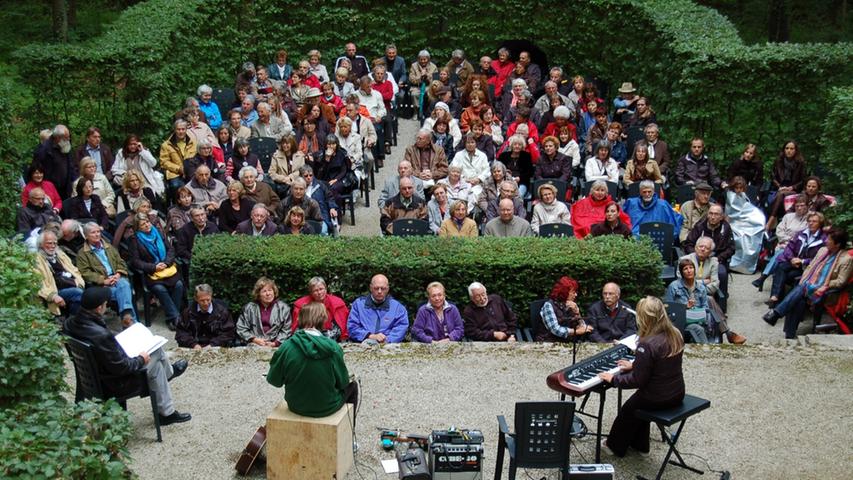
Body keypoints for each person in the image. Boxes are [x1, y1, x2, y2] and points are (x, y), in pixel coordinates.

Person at [64, 287, 191, 426]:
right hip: (115, 382)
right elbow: (123, 367)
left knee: (156, 367)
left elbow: (101, 339)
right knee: (156, 351)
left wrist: (118, 336)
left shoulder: (70, 323)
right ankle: (169, 376)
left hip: (92, 376)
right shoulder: (101, 335)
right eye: (106, 303)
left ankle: (168, 411)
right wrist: (141, 359)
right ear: (99, 307)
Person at [598, 296, 683, 457]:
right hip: (676, 393)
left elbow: (637, 380)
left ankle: (613, 447)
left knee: (628, 410)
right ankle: (640, 446)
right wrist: (635, 365)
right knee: (639, 406)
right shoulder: (675, 333)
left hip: (657, 397)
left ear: (644, 318)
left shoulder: (647, 344)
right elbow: (659, 364)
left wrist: (613, 379)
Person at [267, 301, 360, 422]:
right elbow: (342, 383)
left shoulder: (286, 347)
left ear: (300, 319)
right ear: (323, 320)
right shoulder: (333, 347)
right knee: (353, 386)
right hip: (327, 407)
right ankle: (350, 434)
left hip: (296, 406)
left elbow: (274, 381)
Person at [763, 229, 851, 339]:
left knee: (799, 291)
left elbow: (841, 282)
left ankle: (776, 314)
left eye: (829, 240)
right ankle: (788, 334)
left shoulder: (846, 259)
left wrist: (822, 285)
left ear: (837, 244)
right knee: (799, 298)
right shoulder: (823, 251)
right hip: (809, 285)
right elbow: (810, 268)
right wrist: (806, 281)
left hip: (825, 292)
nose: (826, 241)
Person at [127, 214, 185, 330]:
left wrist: (166, 262)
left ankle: (171, 318)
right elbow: (135, 261)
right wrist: (154, 267)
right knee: (160, 289)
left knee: (179, 285)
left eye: (147, 222)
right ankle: (177, 317)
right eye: (143, 224)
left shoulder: (158, 233)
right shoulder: (135, 240)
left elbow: (170, 250)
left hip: (167, 268)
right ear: (138, 227)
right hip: (152, 273)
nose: (147, 225)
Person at [75, 222, 136, 325]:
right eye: (93, 232)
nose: (97, 234)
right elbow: (85, 272)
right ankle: (130, 320)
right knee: (124, 290)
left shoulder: (108, 246)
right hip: (102, 285)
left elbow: (120, 262)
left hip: (117, 278)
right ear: (86, 236)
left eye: (98, 231)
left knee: (123, 284)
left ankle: (128, 320)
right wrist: (104, 280)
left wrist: (118, 274)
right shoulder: (82, 253)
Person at [766, 211, 827, 307]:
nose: (811, 223)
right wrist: (792, 259)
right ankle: (776, 298)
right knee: (781, 266)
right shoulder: (801, 233)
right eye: (809, 221)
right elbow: (789, 247)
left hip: (808, 268)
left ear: (820, 223)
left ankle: (778, 300)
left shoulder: (824, 239)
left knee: (786, 274)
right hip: (794, 263)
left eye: (814, 221)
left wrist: (803, 261)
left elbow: (821, 259)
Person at [752, 195, 810, 291]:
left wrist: (791, 243)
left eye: (802, 205)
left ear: (807, 206)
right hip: (783, 243)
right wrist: (787, 240)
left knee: (782, 252)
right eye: (797, 206)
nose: (799, 208)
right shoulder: (788, 216)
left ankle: (763, 277)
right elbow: (779, 231)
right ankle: (765, 279)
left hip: (798, 248)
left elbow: (805, 236)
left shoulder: (810, 218)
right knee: (782, 250)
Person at [683, 204, 735, 297]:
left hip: (716, 258)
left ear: (721, 217)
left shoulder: (726, 228)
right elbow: (688, 244)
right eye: (710, 213)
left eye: (716, 214)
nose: (713, 217)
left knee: (721, 273)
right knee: (689, 270)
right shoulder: (699, 226)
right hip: (698, 257)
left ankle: (721, 300)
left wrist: (718, 258)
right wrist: (697, 254)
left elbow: (731, 248)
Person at [347, 274, 409, 344]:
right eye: (376, 288)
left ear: (388, 289)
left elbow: (401, 327)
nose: (379, 291)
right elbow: (352, 327)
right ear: (371, 288)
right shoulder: (358, 305)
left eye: (383, 288)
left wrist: (387, 340)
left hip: (388, 346)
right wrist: (369, 336)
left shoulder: (398, 308)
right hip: (361, 344)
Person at [35, 230, 84, 316]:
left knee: (89, 294)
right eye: (49, 243)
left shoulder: (60, 255)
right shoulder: (37, 260)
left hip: (72, 284)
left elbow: (75, 270)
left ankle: (73, 321)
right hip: (55, 291)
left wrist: (80, 283)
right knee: (78, 293)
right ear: (41, 244)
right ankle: (76, 321)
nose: (53, 246)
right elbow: (37, 283)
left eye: (55, 243)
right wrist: (53, 296)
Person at [725, 176, 766, 274]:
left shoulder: (743, 195)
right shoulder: (731, 196)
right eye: (737, 188)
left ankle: (746, 265)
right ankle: (736, 265)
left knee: (754, 233)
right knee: (742, 237)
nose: (739, 190)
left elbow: (748, 209)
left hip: (744, 222)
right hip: (734, 223)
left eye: (741, 188)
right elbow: (734, 212)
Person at [237, 277, 292, 347]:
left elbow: (286, 330)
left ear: (274, 292)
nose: (268, 293)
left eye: (270, 290)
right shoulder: (249, 308)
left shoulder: (283, 308)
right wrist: (254, 339)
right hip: (254, 344)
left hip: (277, 345)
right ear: (258, 294)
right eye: (264, 291)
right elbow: (241, 328)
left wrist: (275, 343)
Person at [176, 284, 236, 349]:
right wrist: (193, 344)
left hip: (215, 347)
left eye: (208, 300)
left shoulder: (222, 312)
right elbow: (181, 333)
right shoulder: (187, 312)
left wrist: (212, 345)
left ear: (211, 297)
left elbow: (228, 333)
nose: (206, 303)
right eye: (202, 300)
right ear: (196, 299)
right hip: (193, 348)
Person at [536, 276, 594, 342]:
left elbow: (582, 327)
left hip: (567, 343)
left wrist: (578, 314)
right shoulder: (549, 306)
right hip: (548, 343)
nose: (576, 295)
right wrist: (576, 331)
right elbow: (555, 329)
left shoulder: (571, 305)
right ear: (564, 292)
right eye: (573, 292)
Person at [765, 140, 807, 230]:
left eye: (792, 149)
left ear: (795, 150)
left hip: (794, 189)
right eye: (787, 148)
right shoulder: (778, 161)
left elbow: (803, 180)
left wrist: (792, 187)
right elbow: (773, 177)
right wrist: (779, 186)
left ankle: (770, 221)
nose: (789, 150)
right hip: (780, 187)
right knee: (780, 194)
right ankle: (776, 221)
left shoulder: (801, 163)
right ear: (784, 150)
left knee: (782, 194)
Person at [291, 277, 349, 341]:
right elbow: (297, 329)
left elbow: (342, 327)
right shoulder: (301, 305)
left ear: (326, 289)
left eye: (321, 289)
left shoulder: (337, 303)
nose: (319, 292)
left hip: (332, 336)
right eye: (315, 290)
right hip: (308, 336)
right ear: (311, 292)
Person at [33, 124, 75, 198]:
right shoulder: (44, 151)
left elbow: (71, 167)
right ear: (58, 138)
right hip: (49, 191)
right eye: (66, 138)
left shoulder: (65, 147)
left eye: (69, 137)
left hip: (66, 190)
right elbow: (36, 171)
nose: (68, 140)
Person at [159, 120, 197, 199]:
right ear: (175, 130)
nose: (181, 131)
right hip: (174, 172)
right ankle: (176, 204)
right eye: (178, 129)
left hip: (190, 171)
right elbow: (164, 162)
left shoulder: (193, 142)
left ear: (186, 130)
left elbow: (196, 157)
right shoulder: (166, 145)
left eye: (183, 129)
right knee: (176, 185)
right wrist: (178, 168)